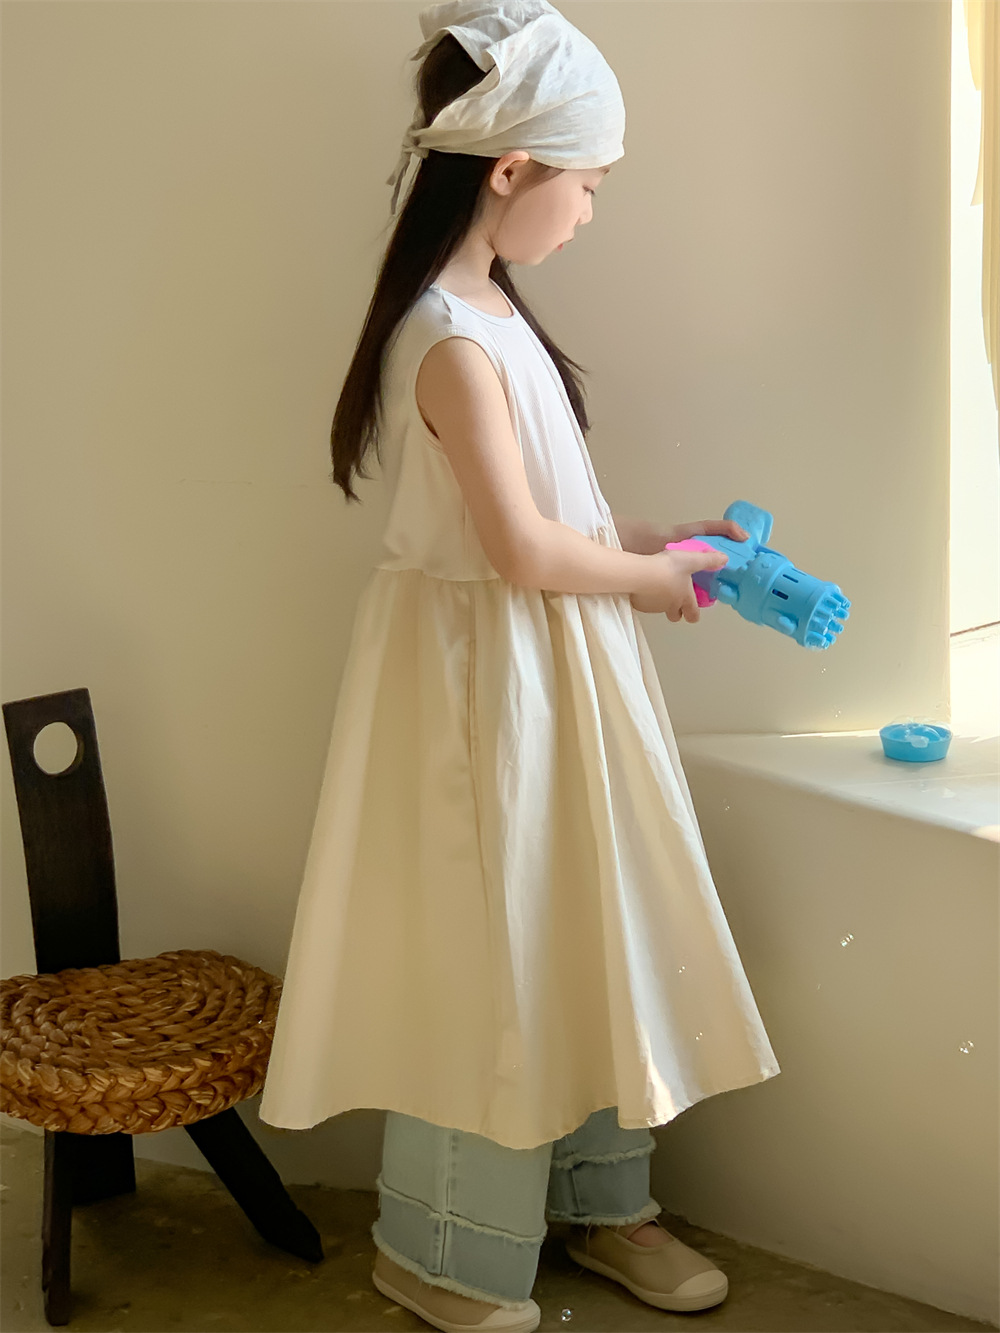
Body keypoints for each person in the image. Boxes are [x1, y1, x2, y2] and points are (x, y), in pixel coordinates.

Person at [258, 3, 781, 1329]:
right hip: (482, 686)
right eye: (588, 184)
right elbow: (520, 550)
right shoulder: (446, 338)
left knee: (583, 918)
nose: (591, 212)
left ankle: (603, 1202)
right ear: (511, 168)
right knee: (492, 946)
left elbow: (560, 522)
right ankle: (444, 1249)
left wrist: (667, 543)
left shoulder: (494, 313)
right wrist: (658, 583)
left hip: (552, 670)